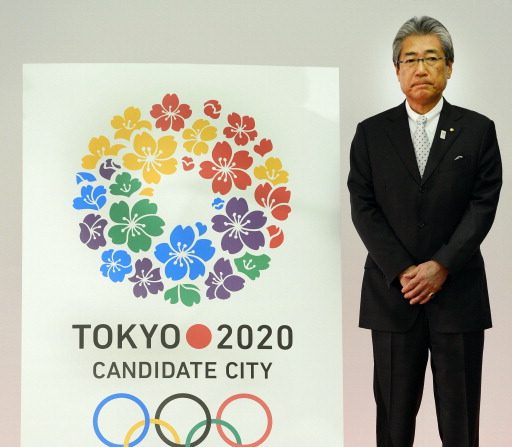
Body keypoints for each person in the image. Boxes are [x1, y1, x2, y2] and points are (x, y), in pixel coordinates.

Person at [347, 16, 502, 447]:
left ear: (449, 67)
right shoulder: (372, 134)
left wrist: (441, 266)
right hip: (393, 296)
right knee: (393, 422)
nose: (421, 68)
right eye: (410, 59)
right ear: (396, 70)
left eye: (431, 58)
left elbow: (482, 205)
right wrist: (402, 270)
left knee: (460, 421)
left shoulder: (478, 130)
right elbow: (363, 207)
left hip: (458, 294)